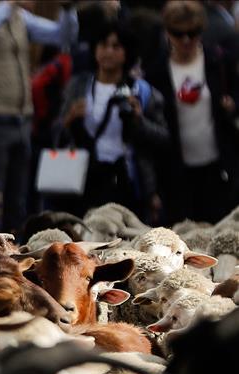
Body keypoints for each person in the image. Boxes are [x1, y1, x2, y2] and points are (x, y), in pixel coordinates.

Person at [0, 0, 78, 232]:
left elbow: (63, 37)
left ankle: (13, 257)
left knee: (17, 203)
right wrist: (8, 4)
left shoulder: (16, 16)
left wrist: (67, 9)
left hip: (21, 121)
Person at [54, 21, 169, 218]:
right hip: (85, 178)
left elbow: (163, 138)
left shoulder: (141, 91)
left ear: (126, 53)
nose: (108, 52)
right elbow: (54, 133)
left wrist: (138, 120)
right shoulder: (77, 86)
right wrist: (69, 119)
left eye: (116, 46)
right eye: (103, 45)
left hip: (126, 179)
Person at [143, 0, 239, 224]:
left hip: (218, 166)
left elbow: (236, 90)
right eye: (179, 33)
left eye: (193, 33)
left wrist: (232, 103)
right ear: (167, 32)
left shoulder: (218, 61)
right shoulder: (156, 71)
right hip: (177, 170)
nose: (186, 40)